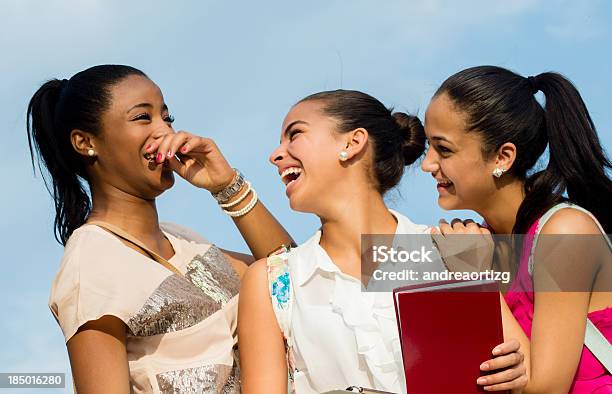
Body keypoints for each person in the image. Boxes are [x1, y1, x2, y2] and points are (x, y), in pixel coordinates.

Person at [238, 90, 528, 393]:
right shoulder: (273, 281)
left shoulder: (453, 251)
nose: (275, 156)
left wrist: (476, 281)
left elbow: (523, 375)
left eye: (294, 134)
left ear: (352, 143)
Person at [27, 64, 294, 393]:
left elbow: (291, 277)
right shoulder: (91, 265)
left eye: (167, 118)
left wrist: (226, 186)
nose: (164, 131)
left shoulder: (184, 240)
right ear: (85, 142)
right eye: (143, 117)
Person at [421, 65, 612, 393]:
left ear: (502, 157)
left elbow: (545, 389)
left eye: (444, 149)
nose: (428, 164)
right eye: (428, 147)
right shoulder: (480, 243)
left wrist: (476, 279)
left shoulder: (565, 232)